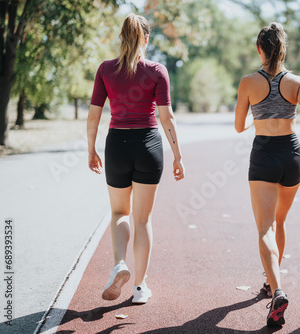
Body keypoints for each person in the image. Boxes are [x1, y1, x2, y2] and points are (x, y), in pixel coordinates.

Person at [235, 22, 300, 327]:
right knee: (280, 220)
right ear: (283, 49)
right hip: (292, 156)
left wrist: (258, 117)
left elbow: (240, 126)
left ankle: (275, 288)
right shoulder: (298, 82)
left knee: (264, 227)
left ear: (259, 49)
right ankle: (270, 281)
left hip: (264, 154)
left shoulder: (248, 82)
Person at [87, 14, 184, 304]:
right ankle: (139, 288)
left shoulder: (105, 69)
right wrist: (178, 156)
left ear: (121, 37)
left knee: (119, 213)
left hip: (116, 146)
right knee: (142, 219)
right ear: (146, 38)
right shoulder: (157, 71)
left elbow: (94, 116)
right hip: (148, 147)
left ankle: (119, 264)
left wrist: (90, 149)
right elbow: (166, 117)